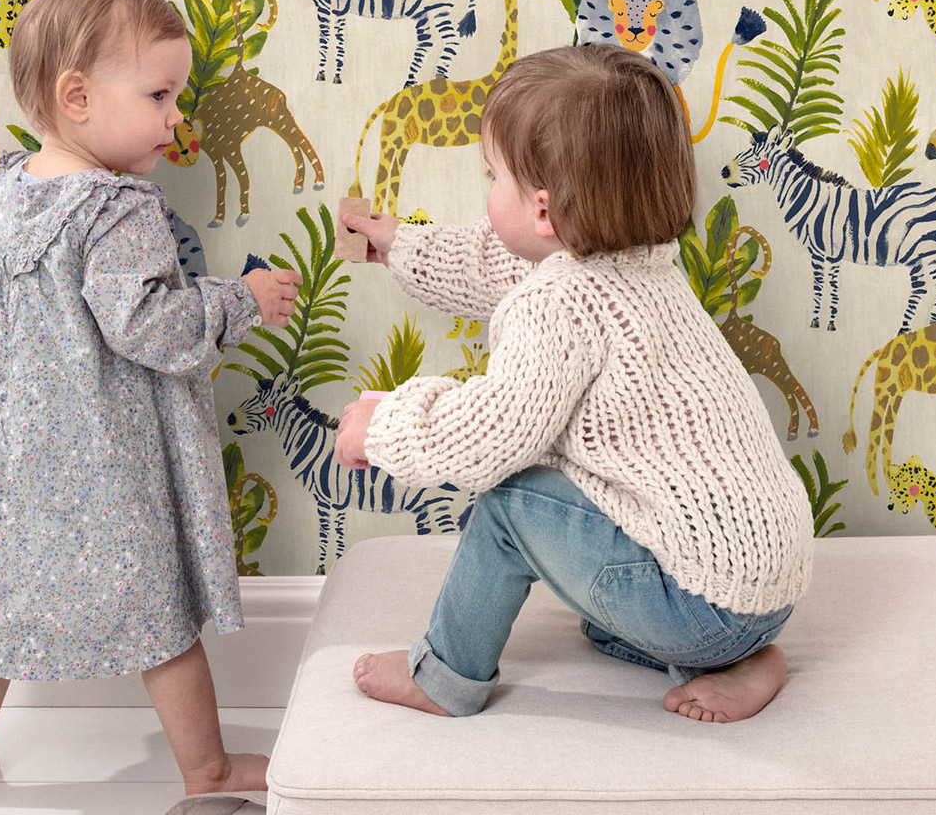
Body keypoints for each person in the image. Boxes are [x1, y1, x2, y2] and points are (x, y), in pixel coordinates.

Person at [334, 43, 814, 723]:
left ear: (543, 210)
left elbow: (489, 437)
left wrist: (382, 426)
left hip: (701, 601)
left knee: (508, 500)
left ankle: (444, 675)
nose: (488, 192)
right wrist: (402, 244)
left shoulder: (560, 303)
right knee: (598, 611)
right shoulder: (640, 265)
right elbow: (497, 263)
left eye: (492, 176)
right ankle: (743, 657)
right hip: (764, 588)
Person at [0, 0, 300, 804]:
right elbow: (153, 330)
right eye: (162, 96)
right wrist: (238, 300)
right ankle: (206, 769)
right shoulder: (117, 209)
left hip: (6, 457)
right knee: (160, 623)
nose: (178, 119)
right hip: (103, 461)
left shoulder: (7, 192)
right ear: (78, 97)